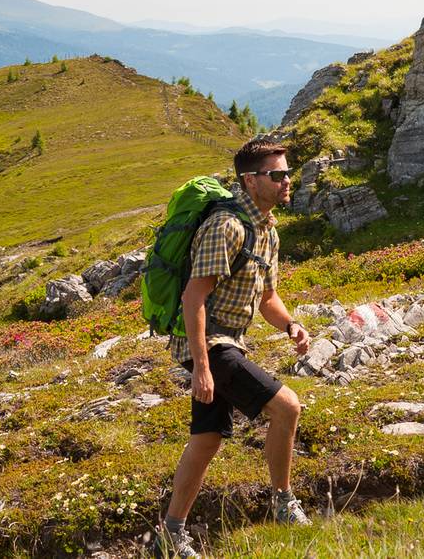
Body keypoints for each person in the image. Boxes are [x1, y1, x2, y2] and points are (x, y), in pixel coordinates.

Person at [159, 137, 312, 558]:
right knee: (288, 407)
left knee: (207, 439)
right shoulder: (226, 226)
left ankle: (171, 535)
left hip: (229, 343)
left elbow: (267, 298)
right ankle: (283, 501)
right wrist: (203, 366)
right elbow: (194, 299)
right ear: (250, 180)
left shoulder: (267, 230)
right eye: (277, 174)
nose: (286, 181)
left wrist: (291, 325)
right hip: (209, 343)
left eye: (287, 173)